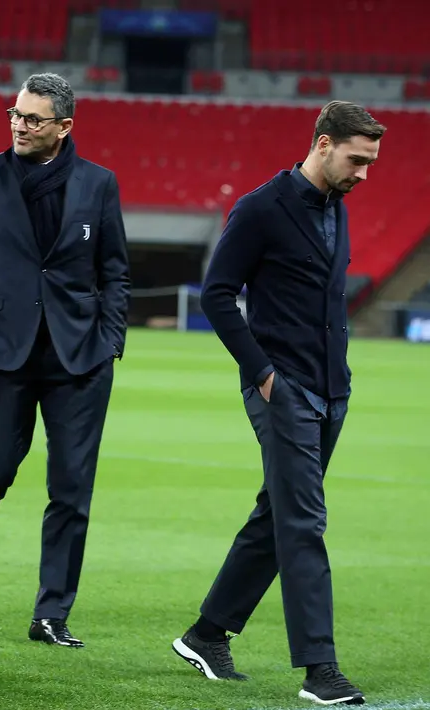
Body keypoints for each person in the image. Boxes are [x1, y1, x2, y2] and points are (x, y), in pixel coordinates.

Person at [170, 100, 381, 707]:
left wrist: (338, 382)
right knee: (304, 524)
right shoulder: (261, 207)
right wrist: (262, 374)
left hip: (332, 391)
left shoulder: (337, 209)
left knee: (277, 515)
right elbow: (215, 295)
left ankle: (207, 634)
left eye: (370, 163)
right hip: (283, 389)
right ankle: (321, 669)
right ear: (322, 143)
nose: (363, 173)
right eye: (356, 159)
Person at [0, 73, 130, 647]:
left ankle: (51, 613)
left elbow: (115, 269)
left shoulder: (99, 183)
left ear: (64, 127)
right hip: (2, 348)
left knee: (72, 488)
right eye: (15, 115)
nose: (20, 126)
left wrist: (110, 338)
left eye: (32, 119)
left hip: (80, 357)